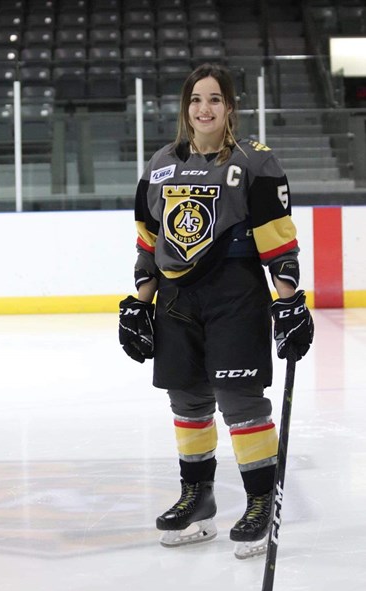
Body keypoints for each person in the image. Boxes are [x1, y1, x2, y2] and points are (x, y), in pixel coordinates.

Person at [118, 63, 314, 558]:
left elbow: (278, 241)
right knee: (186, 401)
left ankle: (260, 501)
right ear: (185, 107)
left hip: (236, 294)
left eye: (215, 99)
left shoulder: (255, 162)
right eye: (196, 100)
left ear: (230, 107)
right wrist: (140, 305)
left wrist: (288, 302)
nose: (204, 109)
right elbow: (148, 240)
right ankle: (198, 497)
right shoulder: (160, 164)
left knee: (240, 400)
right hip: (177, 300)